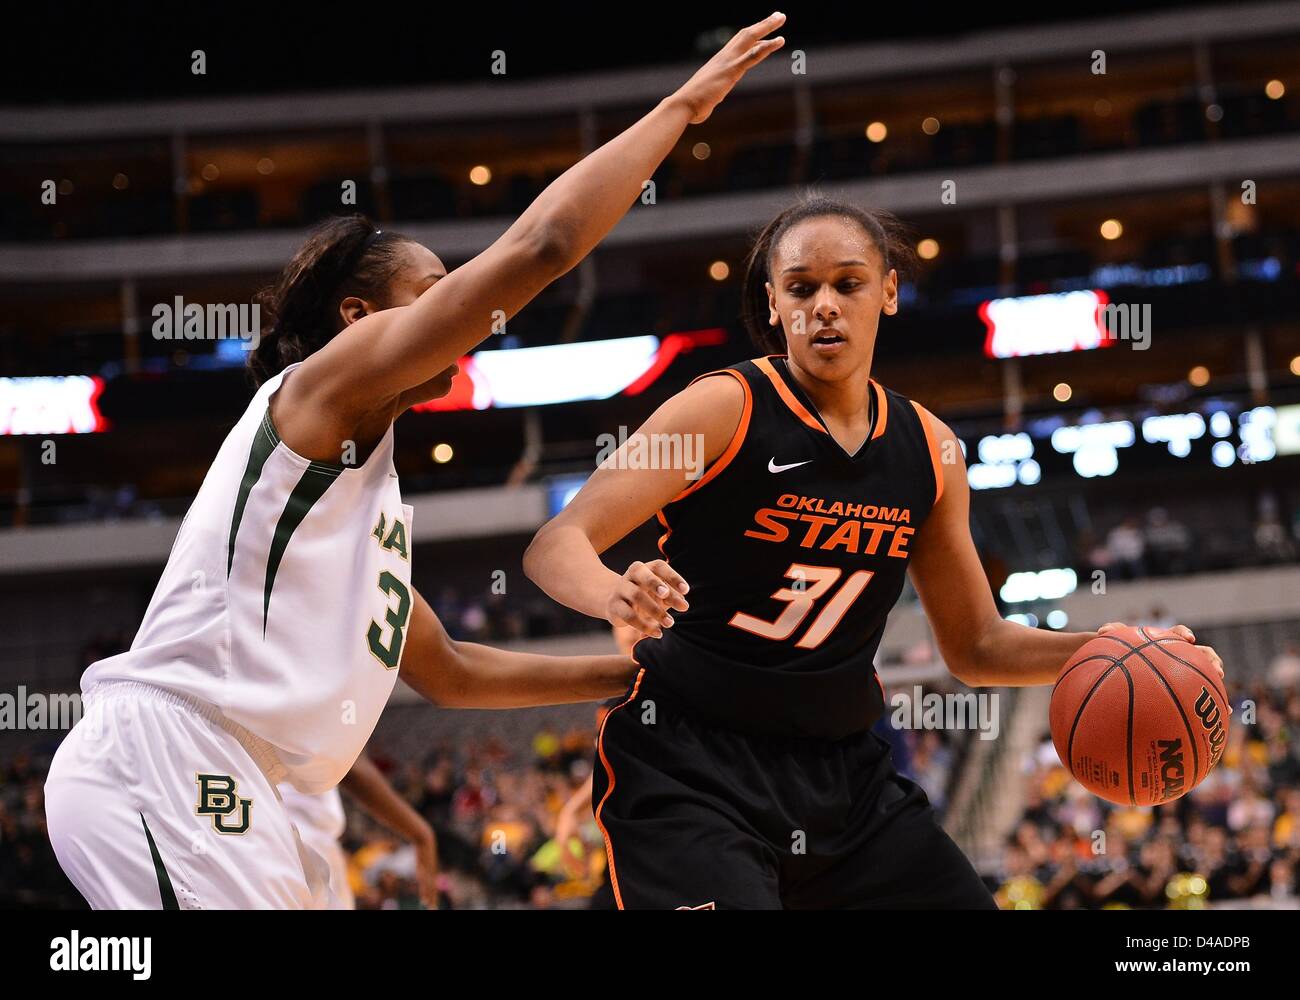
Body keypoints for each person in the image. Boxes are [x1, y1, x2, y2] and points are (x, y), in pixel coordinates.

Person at [43, 12, 789, 910]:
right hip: (167, 759)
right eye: (436, 292)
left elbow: (450, 672)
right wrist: (681, 107)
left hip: (249, 784)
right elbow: (541, 248)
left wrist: (652, 671)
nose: (463, 310)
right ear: (362, 321)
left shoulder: (373, 493)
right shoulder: (318, 395)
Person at [524, 193, 1224, 909]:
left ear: (888, 290)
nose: (823, 305)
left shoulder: (931, 449)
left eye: (847, 283)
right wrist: (612, 589)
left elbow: (977, 645)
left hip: (845, 778)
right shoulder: (724, 409)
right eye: (800, 288)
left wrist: (1121, 646)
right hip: (690, 767)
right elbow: (557, 543)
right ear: (773, 304)